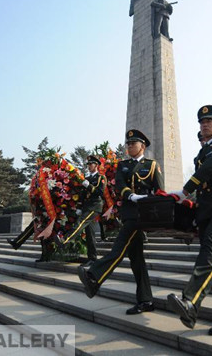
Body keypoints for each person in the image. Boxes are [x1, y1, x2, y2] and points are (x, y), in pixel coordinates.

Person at [167, 105, 212, 336]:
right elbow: (203, 179)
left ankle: (190, 301)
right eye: (202, 122)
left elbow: (211, 168)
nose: (205, 124)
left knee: (210, 250)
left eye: (210, 121)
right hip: (207, 209)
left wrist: (185, 190)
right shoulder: (199, 155)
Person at [78, 129, 164, 315]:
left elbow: (159, 191)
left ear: (143, 146)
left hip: (143, 215)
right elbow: (119, 184)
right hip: (129, 211)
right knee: (136, 260)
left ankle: (95, 275)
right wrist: (131, 195)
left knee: (120, 245)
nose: (129, 146)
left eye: (133, 143)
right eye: (128, 143)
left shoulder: (151, 165)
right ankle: (145, 300)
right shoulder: (123, 165)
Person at [55, 155, 106, 264]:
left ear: (96, 165)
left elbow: (100, 193)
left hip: (95, 206)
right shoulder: (86, 179)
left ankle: (65, 240)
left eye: (91, 164)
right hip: (86, 206)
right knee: (90, 234)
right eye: (88, 164)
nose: (89, 166)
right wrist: (79, 206)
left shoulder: (101, 178)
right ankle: (92, 259)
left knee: (80, 222)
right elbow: (82, 195)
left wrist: (88, 186)